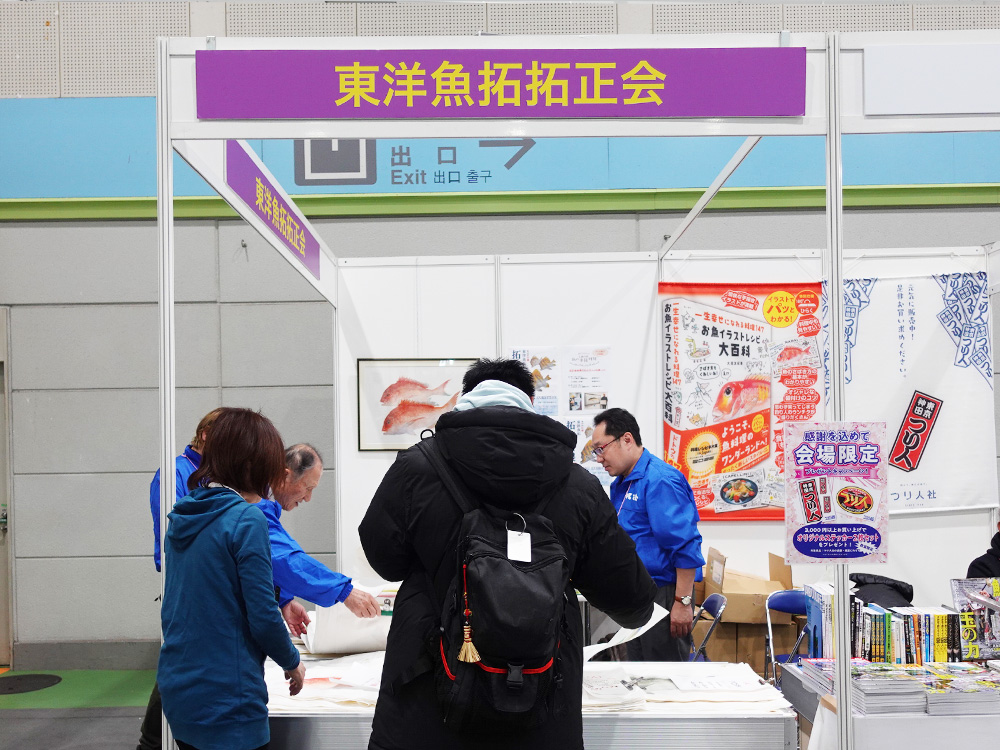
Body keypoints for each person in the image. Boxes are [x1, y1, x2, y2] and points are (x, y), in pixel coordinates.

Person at [359, 358, 656, 750]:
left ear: (465, 400)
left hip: (425, 709)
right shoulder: (578, 486)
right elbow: (634, 602)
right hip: (540, 709)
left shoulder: (417, 468)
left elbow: (384, 559)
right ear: (530, 402)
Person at [158, 407, 305, 750]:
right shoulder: (245, 520)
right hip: (227, 699)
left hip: (180, 688)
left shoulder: (185, 514)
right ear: (253, 465)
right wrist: (292, 662)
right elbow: (263, 615)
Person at [138, 408, 223, 750]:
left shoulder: (216, 474)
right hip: (186, 585)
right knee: (179, 663)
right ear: (205, 436)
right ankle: (151, 741)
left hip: (211, 586)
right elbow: (172, 534)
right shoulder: (175, 473)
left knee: (193, 665)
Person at [592, 407, 705, 662]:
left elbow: (685, 546)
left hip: (664, 594)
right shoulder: (624, 482)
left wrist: (683, 602)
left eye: (601, 449)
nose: (599, 458)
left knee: (662, 674)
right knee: (639, 671)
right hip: (639, 594)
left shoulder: (660, 480)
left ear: (627, 439)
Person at [261, 443, 380, 637]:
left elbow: (266, 561)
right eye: (308, 488)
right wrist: (344, 591)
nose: (308, 498)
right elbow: (283, 558)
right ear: (284, 475)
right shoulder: (254, 507)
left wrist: (285, 600)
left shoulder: (264, 505)